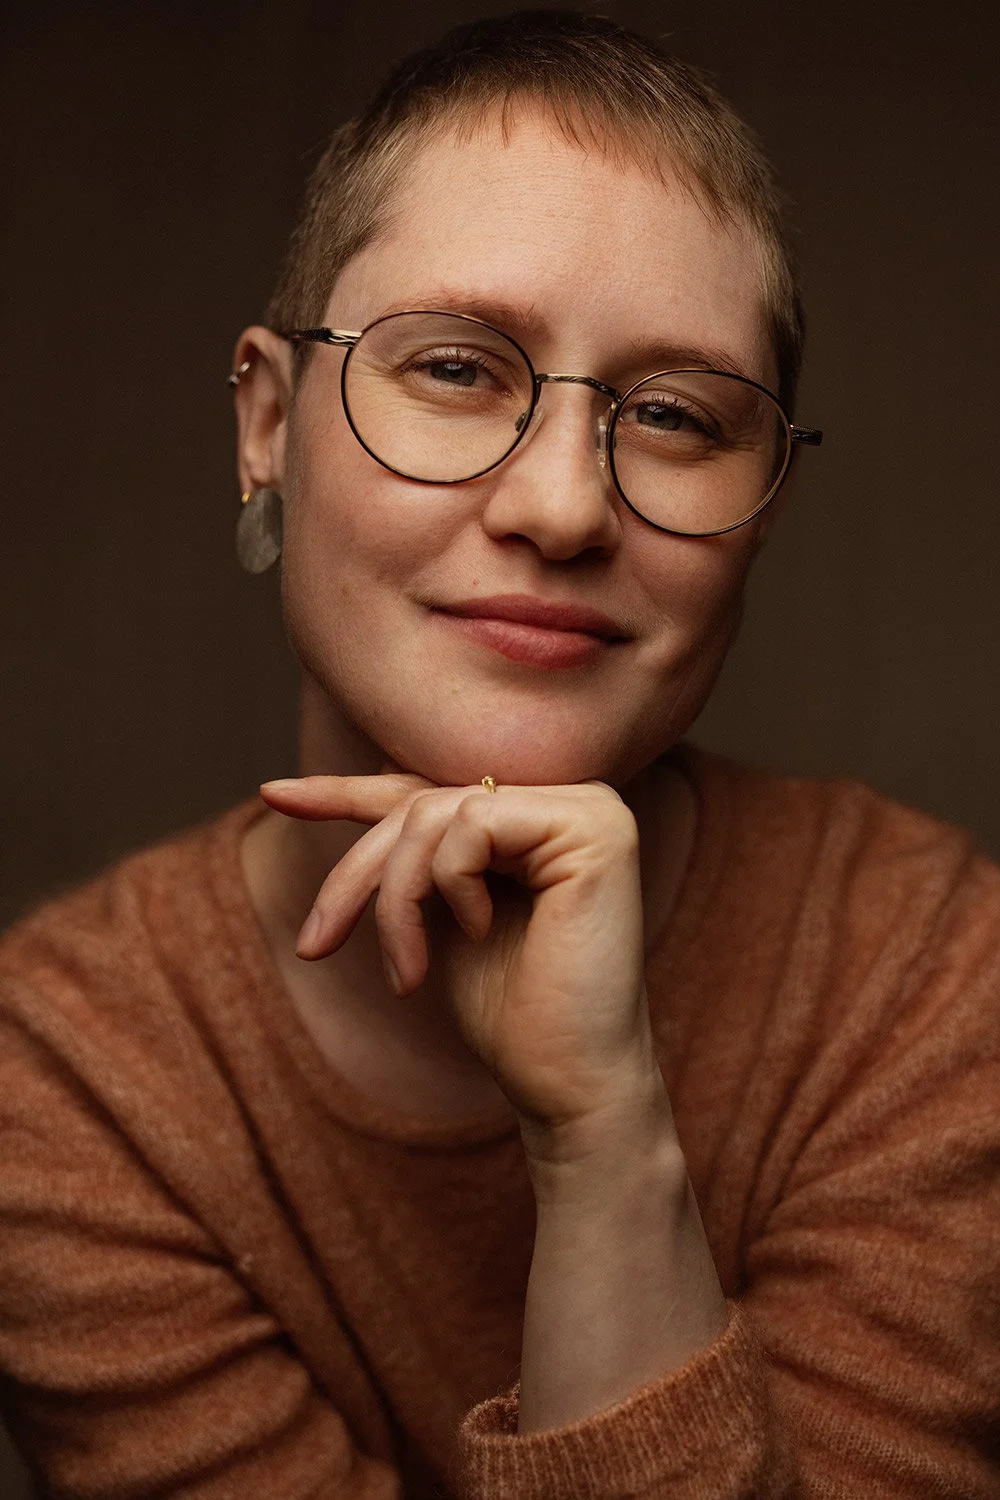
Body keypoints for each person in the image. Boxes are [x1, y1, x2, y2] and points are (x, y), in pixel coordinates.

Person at [1, 10, 998, 1498]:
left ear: (766, 509)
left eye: (673, 414)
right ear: (269, 425)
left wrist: (604, 1146)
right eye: (458, 369)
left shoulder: (929, 968)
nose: (562, 509)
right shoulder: (66, 1091)